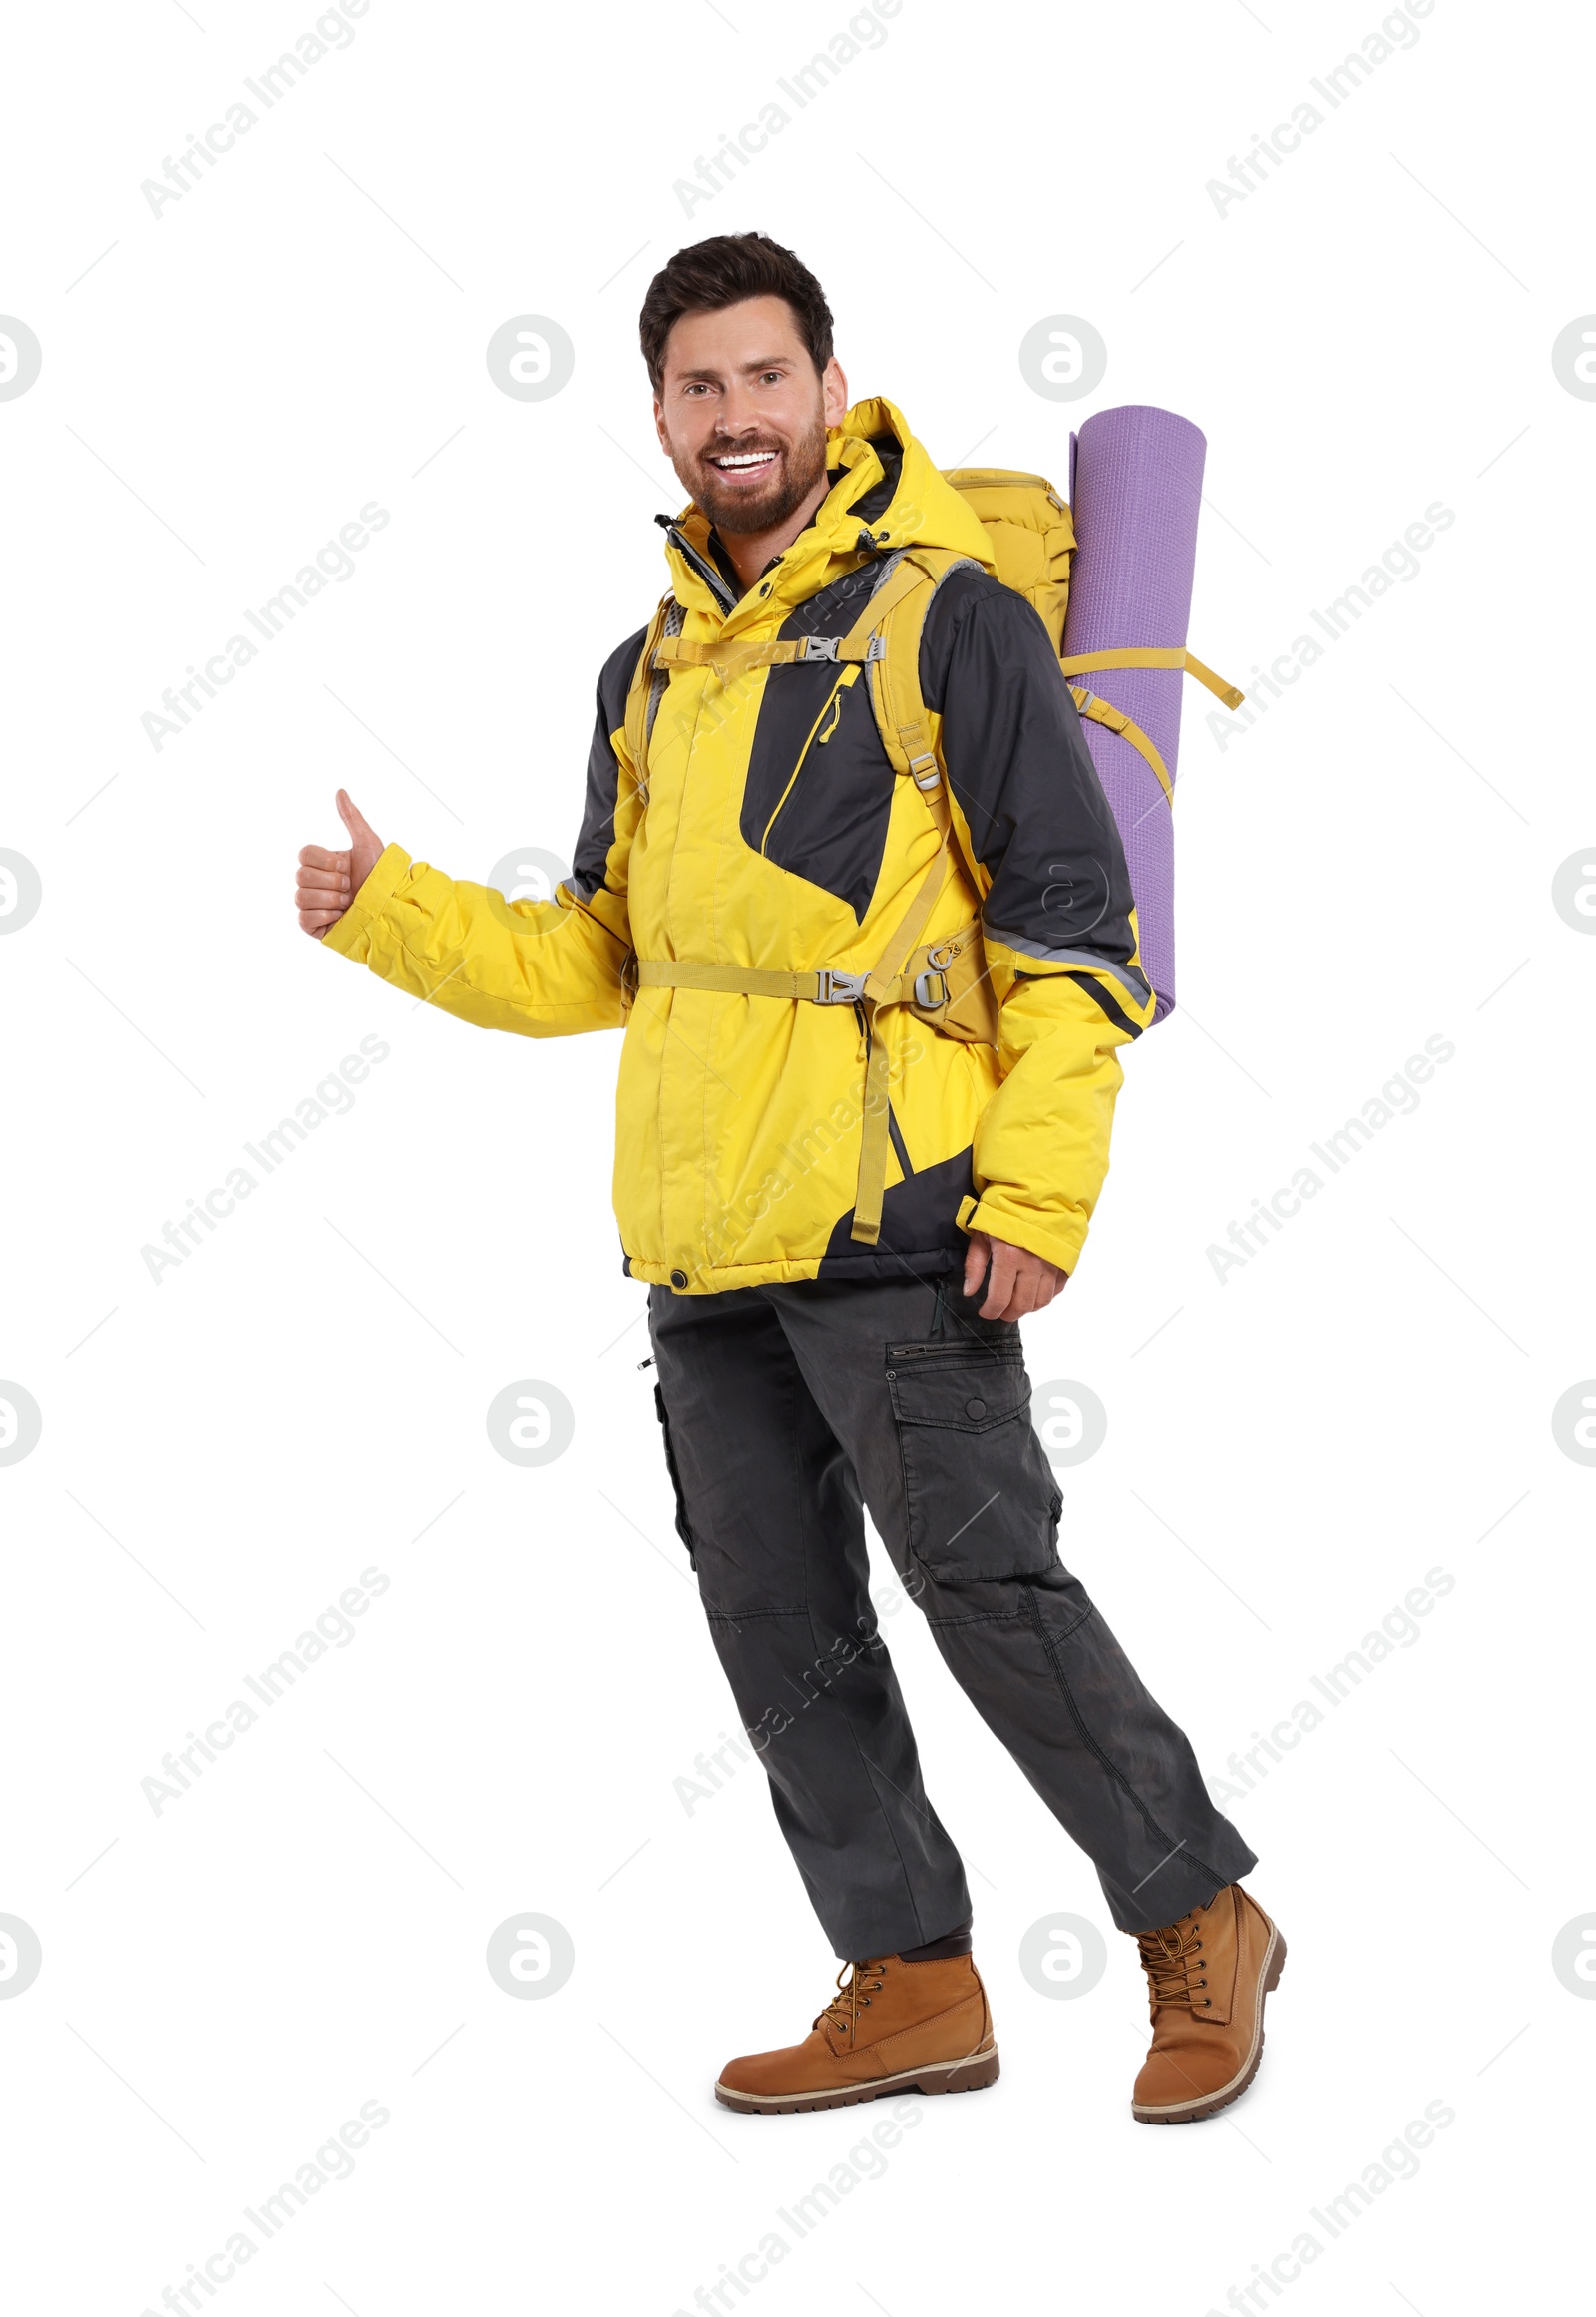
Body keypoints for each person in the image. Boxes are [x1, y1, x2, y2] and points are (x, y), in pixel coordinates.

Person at [296, 232, 1283, 2124]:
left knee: (989, 1587)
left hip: (899, 1209)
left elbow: (1078, 928)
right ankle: (910, 1977)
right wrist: (390, 913)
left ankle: (1200, 1915)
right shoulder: (649, 667)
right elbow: (601, 958)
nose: (733, 415)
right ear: (659, 414)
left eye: (765, 377)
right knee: (777, 1619)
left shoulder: (950, 620)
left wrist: (1038, 1193)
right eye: (697, 386)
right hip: (699, 1237)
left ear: (832, 390)